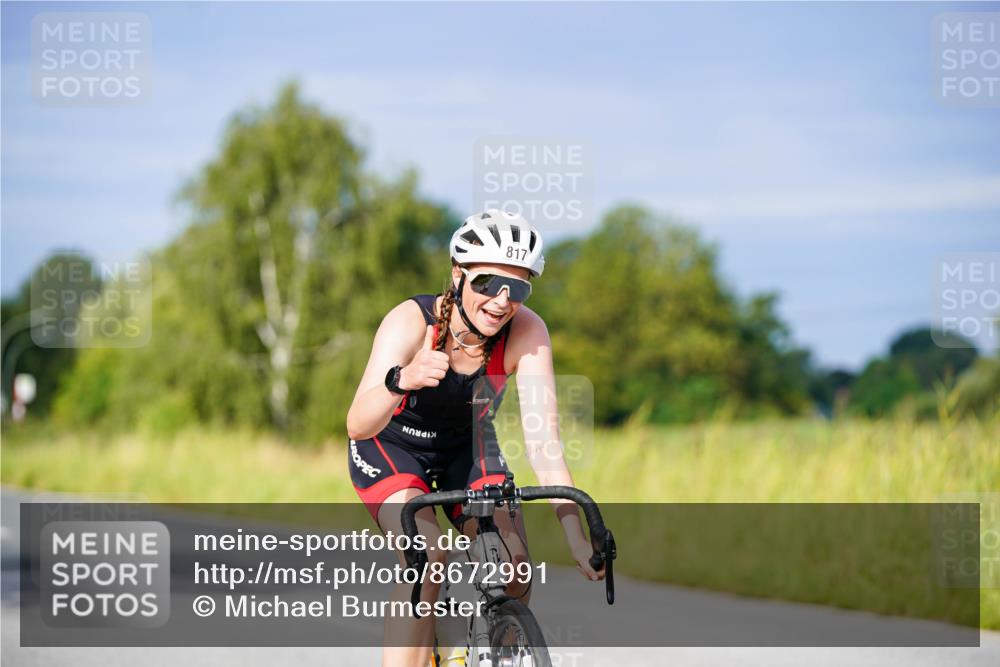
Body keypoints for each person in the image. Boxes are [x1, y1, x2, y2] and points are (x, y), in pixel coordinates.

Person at [346, 209, 603, 667]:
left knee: (515, 567)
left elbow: (544, 442)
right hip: (392, 445)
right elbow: (357, 423)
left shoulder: (528, 332)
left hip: (467, 446)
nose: (502, 301)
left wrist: (577, 538)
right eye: (487, 283)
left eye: (518, 288)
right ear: (458, 274)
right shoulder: (411, 321)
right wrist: (401, 379)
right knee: (426, 556)